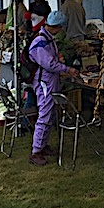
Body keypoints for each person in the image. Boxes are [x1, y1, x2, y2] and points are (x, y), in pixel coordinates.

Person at [28, 10, 80, 166]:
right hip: (44, 82)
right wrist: (67, 69)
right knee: (44, 114)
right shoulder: (40, 42)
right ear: (56, 26)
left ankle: (42, 146)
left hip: (50, 80)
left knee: (49, 115)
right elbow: (49, 64)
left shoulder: (48, 39)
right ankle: (36, 151)